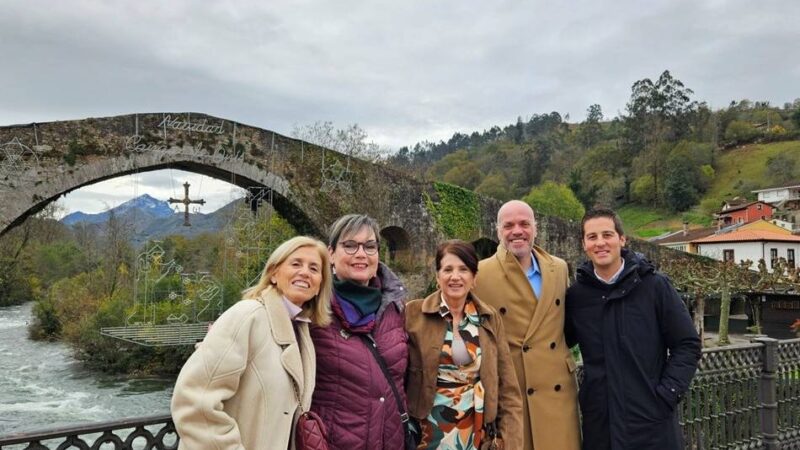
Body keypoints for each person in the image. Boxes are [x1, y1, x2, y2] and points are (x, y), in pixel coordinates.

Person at [171, 236, 333, 450]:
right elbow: (193, 401)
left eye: (314, 268)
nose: (305, 272)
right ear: (274, 274)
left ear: (320, 284)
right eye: (296, 264)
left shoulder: (302, 331)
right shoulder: (247, 316)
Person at [565, 208, 701, 450]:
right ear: (584, 244)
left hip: (651, 421)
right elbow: (557, 342)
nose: (600, 243)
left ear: (622, 239)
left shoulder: (654, 286)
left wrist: (667, 394)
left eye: (607, 235)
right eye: (592, 237)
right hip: (601, 424)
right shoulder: (577, 296)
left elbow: (687, 344)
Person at [472, 200, 581, 450]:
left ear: (535, 228)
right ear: (497, 230)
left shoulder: (559, 269)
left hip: (558, 393)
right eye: (508, 225)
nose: (517, 231)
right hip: (514, 396)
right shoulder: (479, 274)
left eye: (524, 224)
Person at [406, 240, 523, 449]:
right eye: (447, 269)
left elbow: (508, 389)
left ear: (474, 278)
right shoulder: (413, 315)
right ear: (437, 276)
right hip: (426, 434)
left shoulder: (489, 318)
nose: (455, 276)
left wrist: (511, 442)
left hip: (476, 434)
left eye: (463, 269)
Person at [310, 214, 408, 450]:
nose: (361, 254)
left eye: (370, 246)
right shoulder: (312, 307)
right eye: (350, 245)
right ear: (331, 254)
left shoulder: (396, 307)